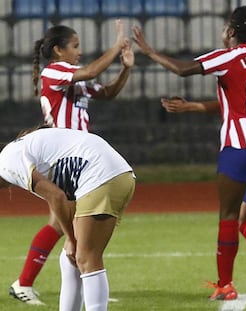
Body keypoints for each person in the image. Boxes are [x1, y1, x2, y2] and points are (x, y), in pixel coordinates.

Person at [132, 6, 246, 300]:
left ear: (233, 31)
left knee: (231, 217)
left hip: (238, 147)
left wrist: (150, 52)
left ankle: (226, 284)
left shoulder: (228, 57)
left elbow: (182, 69)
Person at [9, 20, 134, 305]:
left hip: (80, 161)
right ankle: (27, 282)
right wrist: (116, 45)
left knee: (64, 226)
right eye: (75, 46)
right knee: (62, 224)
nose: (79, 51)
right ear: (58, 50)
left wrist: (126, 67)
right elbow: (90, 70)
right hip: (65, 160)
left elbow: (108, 92)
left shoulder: (70, 80)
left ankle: (66, 281)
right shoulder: (55, 71)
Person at [0, 126, 136, 311]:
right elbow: (67, 199)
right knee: (69, 258)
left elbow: (57, 197)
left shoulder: (5, 163)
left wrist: (71, 239)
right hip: (112, 174)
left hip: (100, 176)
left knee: (86, 257)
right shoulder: (21, 152)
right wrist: (71, 239)